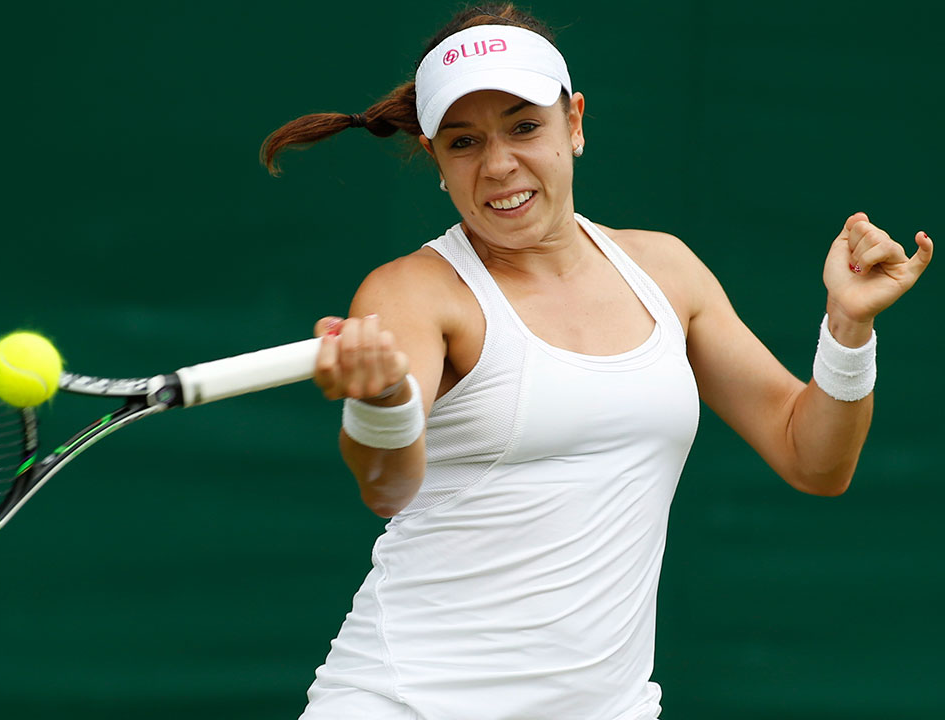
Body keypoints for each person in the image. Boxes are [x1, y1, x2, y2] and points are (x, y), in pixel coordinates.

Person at [260, 4, 933, 719]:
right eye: (464, 142)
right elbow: (386, 488)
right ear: (436, 158)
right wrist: (382, 404)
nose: (498, 165)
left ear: (574, 122)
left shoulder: (667, 270)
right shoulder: (413, 294)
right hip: (407, 704)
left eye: (525, 126)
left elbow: (816, 461)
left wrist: (848, 326)